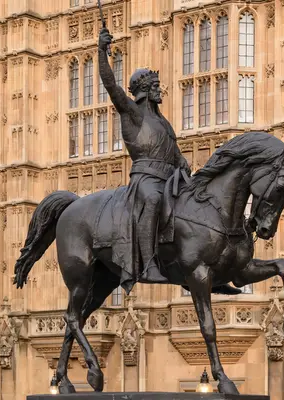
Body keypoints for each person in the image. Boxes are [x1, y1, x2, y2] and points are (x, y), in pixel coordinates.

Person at [98, 28, 241, 295]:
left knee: (199, 207)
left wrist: (184, 165)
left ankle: (208, 270)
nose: (158, 90)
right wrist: (101, 52)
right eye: (154, 87)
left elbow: (173, 152)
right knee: (152, 201)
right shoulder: (133, 113)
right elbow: (110, 85)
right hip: (146, 179)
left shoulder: (162, 122)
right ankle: (147, 262)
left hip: (170, 178)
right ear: (143, 91)